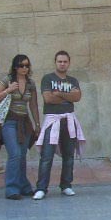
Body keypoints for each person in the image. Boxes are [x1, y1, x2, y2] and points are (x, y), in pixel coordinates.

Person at [33, 50, 84, 200]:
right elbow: (48, 99)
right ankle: (41, 188)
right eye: (59, 61)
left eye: (65, 61)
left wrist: (59, 94)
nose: (62, 64)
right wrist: (68, 98)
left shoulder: (73, 80)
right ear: (55, 62)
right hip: (52, 120)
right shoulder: (47, 79)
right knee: (47, 155)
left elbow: (77, 96)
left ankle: (66, 185)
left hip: (69, 119)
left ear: (69, 63)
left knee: (68, 155)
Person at [0, 54, 40, 200]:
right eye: (21, 65)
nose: (24, 68)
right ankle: (12, 189)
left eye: (27, 65)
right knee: (15, 154)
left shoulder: (31, 83)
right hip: (9, 121)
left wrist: (37, 124)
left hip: (24, 123)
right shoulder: (8, 80)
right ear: (15, 67)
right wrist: (8, 90)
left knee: (22, 155)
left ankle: (24, 186)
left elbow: (33, 105)